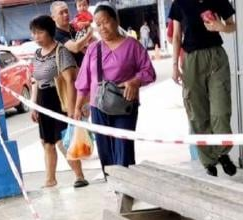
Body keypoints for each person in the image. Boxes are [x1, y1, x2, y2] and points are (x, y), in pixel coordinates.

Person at [73, 4, 156, 169]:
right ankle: (113, 185)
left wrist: (135, 81)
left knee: (123, 147)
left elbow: (149, 72)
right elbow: (84, 81)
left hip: (124, 104)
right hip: (98, 106)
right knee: (105, 150)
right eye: (98, 24)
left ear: (116, 21)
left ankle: (126, 188)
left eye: (105, 22)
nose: (102, 27)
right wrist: (77, 107)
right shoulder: (93, 49)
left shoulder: (132, 45)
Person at [169, 0, 238, 177]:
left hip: (216, 56)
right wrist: (175, 65)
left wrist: (220, 26)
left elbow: (232, 26)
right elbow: (176, 36)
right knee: (197, 114)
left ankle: (222, 153)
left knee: (221, 111)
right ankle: (209, 161)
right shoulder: (179, 4)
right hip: (191, 59)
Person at [29, 15, 88, 188]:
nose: (36, 37)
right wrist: (33, 105)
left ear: (49, 32)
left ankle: (79, 175)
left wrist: (71, 109)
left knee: (63, 141)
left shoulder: (60, 51)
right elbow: (35, 81)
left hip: (59, 99)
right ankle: (50, 179)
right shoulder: (37, 54)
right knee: (46, 141)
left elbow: (70, 81)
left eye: (39, 33)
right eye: (34, 33)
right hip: (43, 100)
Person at [52, 1, 93, 66]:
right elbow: (75, 48)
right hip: (76, 72)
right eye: (61, 13)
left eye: (66, 11)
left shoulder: (73, 26)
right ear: (53, 17)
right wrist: (89, 33)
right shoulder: (56, 34)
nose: (65, 14)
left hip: (89, 63)